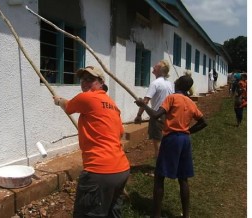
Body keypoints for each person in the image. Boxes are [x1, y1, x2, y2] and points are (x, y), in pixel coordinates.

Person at [53, 66, 130, 218]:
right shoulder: (113, 105)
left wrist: (59, 100)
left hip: (99, 172)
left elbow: (68, 107)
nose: (85, 82)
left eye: (90, 79)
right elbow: (119, 133)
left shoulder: (88, 97)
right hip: (121, 170)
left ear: (101, 82)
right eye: (83, 79)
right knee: (113, 213)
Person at [134, 75, 207, 218]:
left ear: (178, 85)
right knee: (183, 178)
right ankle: (186, 215)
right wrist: (187, 131)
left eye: (176, 81)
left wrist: (143, 105)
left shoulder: (172, 98)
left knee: (159, 177)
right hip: (184, 140)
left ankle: (156, 215)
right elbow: (203, 122)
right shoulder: (190, 102)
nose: (174, 82)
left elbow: (155, 115)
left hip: (171, 140)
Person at [134, 60, 174, 157]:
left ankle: (159, 169)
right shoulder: (170, 84)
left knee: (158, 145)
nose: (153, 67)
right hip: (168, 116)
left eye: (156, 66)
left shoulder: (155, 83)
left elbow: (145, 101)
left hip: (157, 116)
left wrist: (139, 115)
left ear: (160, 70)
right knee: (166, 142)